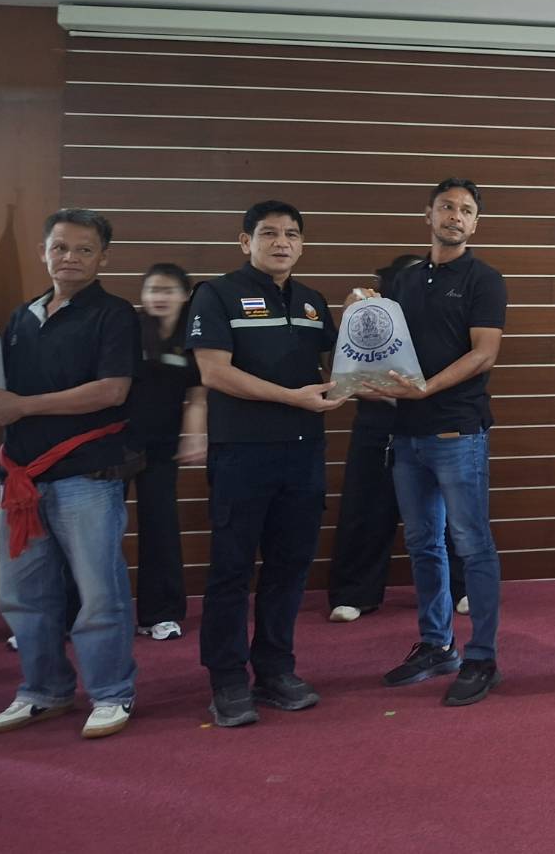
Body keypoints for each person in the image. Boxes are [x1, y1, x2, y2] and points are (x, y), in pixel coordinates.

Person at [0, 208, 140, 739]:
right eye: (60, 247)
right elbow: (0, 391)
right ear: (44, 251)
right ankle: (44, 691)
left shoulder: (114, 314)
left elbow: (112, 391)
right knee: (22, 594)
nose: (70, 257)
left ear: (103, 257)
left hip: (86, 476)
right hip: (21, 478)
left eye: (84, 249)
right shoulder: (22, 316)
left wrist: (21, 407)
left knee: (99, 592)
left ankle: (111, 693)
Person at [188, 200, 346, 727]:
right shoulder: (216, 294)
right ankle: (228, 679)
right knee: (231, 570)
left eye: (292, 234)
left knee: (289, 568)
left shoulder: (312, 301)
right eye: (269, 233)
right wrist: (290, 398)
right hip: (242, 453)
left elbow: (341, 363)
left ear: (302, 244)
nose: (282, 243)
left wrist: (363, 318)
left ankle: (275, 669)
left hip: (303, 455)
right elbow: (214, 372)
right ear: (245, 241)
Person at [377, 178, 508, 707]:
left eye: (466, 210)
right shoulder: (404, 280)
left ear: (475, 223)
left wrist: (427, 388)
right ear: (428, 215)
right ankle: (437, 645)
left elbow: (484, 353)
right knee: (422, 544)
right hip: (406, 434)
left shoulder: (485, 279)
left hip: (458, 431)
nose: (455, 216)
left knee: (472, 544)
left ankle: (483, 658)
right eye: (446, 207)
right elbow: (384, 347)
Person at [326, 254, 467, 624]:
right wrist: (349, 319)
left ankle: (461, 587)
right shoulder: (370, 316)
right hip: (378, 423)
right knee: (366, 509)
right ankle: (355, 593)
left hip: (434, 422)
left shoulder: (445, 318)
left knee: (451, 510)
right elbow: (346, 375)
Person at [128, 263, 207, 642]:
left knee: (160, 526)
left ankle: (160, 614)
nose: (159, 297)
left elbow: (197, 395)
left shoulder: (192, 336)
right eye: (152, 290)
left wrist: (194, 436)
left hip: (161, 446)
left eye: (168, 290)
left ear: (185, 295)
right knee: (94, 534)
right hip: (114, 443)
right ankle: (71, 615)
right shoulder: (129, 329)